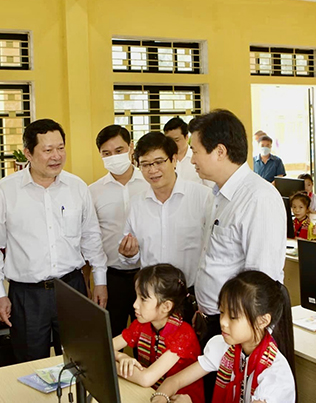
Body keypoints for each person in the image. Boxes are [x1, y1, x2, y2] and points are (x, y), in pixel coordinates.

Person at [0, 118, 108, 362]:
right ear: (28, 153)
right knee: (30, 364)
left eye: (61, 148)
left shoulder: (77, 186)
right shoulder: (5, 190)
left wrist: (100, 281)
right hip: (27, 295)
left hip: (72, 288)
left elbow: (91, 237)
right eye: (47, 150)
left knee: (81, 361)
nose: (56, 156)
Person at [188, 109, 286, 400]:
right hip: (214, 322)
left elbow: (260, 282)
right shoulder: (217, 195)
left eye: (195, 151)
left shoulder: (258, 198)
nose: (191, 160)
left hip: (239, 329)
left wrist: (239, 334)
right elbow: (213, 258)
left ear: (219, 151)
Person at [150, 271, 296, 403]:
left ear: (262, 321)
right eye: (222, 312)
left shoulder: (275, 376)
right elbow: (174, 381)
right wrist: (160, 397)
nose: (223, 322)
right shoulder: (225, 347)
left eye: (233, 317)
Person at [118, 132, 211, 292]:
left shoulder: (203, 197)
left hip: (192, 292)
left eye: (159, 162)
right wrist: (129, 254)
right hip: (151, 296)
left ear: (174, 160)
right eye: (145, 164)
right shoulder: (136, 204)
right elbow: (130, 260)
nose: (152, 170)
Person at [113, 264, 204, 403]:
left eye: (143, 299)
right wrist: (121, 356)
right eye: (136, 297)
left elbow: (146, 378)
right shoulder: (141, 324)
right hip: (150, 393)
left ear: (166, 306)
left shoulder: (183, 335)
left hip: (177, 399)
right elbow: (104, 346)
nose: (135, 305)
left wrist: (114, 364)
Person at [89, 124, 148, 337]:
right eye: (107, 153)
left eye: (119, 150)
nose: (113, 157)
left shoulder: (150, 183)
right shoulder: (93, 192)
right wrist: (98, 283)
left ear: (131, 147)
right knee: (112, 338)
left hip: (148, 274)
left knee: (149, 340)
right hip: (112, 277)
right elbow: (92, 240)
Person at [163, 117, 212, 187]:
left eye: (177, 140)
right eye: (169, 140)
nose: (173, 144)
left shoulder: (200, 157)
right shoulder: (163, 160)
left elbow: (210, 186)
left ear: (186, 137)